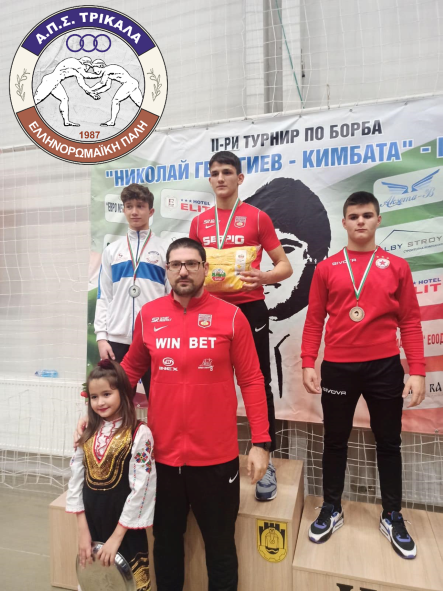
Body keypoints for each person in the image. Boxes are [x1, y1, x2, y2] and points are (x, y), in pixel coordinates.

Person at [119, 237, 270, 591]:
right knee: (166, 545)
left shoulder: (231, 317)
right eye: (176, 264)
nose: (183, 271)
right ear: (167, 270)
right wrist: (93, 412)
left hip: (216, 460)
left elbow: (252, 380)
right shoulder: (149, 316)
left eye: (191, 264)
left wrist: (261, 442)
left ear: (205, 268)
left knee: (220, 548)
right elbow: (128, 372)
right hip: (163, 458)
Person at [301, 191, 425, 559]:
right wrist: (308, 361)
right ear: (343, 222)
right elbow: (314, 319)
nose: (360, 221)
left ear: (378, 220)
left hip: (384, 366)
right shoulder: (327, 268)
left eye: (367, 215)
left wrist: (417, 370)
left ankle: (392, 514)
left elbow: (411, 321)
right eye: (353, 216)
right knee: (335, 440)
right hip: (338, 368)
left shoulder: (396, 266)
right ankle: (331, 507)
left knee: (389, 442)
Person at [189, 151, 293, 502]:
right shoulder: (199, 223)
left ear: (240, 178)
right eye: (215, 173)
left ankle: (266, 456)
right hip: (209, 313)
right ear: (210, 179)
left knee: (258, 383)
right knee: (206, 383)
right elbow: (191, 267)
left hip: (250, 311)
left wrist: (263, 276)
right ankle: (207, 456)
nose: (220, 178)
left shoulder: (257, 217)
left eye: (227, 172)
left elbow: (284, 266)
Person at [66, 359, 156, 591]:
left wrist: (117, 537)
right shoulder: (86, 432)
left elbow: (142, 489)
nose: (100, 402)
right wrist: (83, 531)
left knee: (127, 582)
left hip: (124, 528)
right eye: (94, 397)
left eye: (107, 394)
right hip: (92, 525)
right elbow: (76, 481)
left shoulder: (139, 433)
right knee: (96, 581)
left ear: (123, 393)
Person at [245, 177, 331, 397]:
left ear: (313, 257)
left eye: (286, 249)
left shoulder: (325, 327)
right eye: (257, 250)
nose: (265, 267)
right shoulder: (235, 326)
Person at [94, 183, 169, 400]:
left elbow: (171, 297)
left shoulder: (165, 249)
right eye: (129, 206)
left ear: (151, 211)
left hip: (154, 338)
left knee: (159, 399)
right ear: (123, 210)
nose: (134, 211)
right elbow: (104, 295)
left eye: (140, 206)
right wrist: (102, 337)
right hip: (117, 339)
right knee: (118, 401)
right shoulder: (111, 251)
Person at [33, 57, 101, 126]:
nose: (88, 69)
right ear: (85, 64)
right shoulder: (75, 62)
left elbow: (83, 85)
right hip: (50, 81)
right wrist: (99, 75)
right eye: (88, 66)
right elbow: (85, 75)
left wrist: (92, 94)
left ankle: (66, 122)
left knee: (64, 99)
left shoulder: (77, 71)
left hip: (56, 83)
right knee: (36, 100)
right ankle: (27, 113)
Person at [86, 59, 143, 126]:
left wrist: (90, 89)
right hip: (133, 83)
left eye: (95, 68)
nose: (94, 71)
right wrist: (96, 92)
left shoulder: (107, 70)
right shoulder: (108, 73)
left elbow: (102, 83)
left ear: (101, 66)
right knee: (140, 103)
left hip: (129, 84)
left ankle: (112, 121)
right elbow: (107, 86)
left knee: (115, 100)